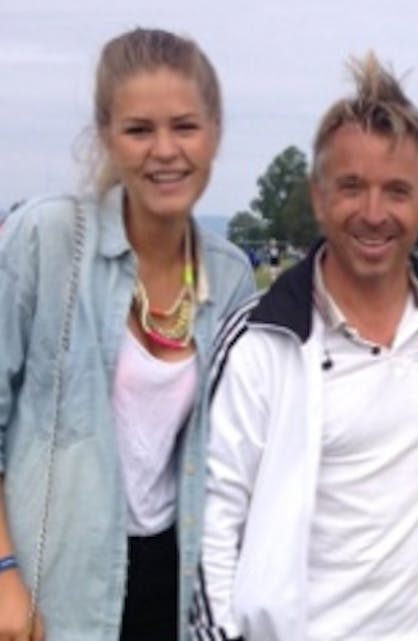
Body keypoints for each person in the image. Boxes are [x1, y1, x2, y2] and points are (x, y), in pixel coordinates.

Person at [192, 52, 418, 640]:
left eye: (397, 191)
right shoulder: (260, 339)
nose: (373, 213)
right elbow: (210, 526)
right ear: (319, 195)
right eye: (351, 187)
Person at [0, 28, 255, 641]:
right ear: (108, 136)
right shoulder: (45, 238)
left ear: (215, 133)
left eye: (185, 127)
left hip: (174, 587)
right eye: (139, 130)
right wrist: (4, 572)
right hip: (49, 590)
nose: (164, 151)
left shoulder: (232, 274)